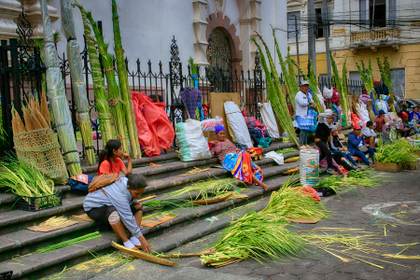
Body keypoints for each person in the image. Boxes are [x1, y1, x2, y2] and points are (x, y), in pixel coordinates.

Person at [83, 174, 151, 252]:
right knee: (113, 213)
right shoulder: (120, 196)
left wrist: (138, 236)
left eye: (141, 193)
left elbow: (128, 206)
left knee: (138, 207)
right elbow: (127, 217)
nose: (139, 196)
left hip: (111, 203)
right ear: (129, 188)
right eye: (136, 193)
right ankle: (126, 241)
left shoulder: (127, 182)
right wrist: (142, 239)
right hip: (94, 208)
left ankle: (133, 237)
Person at [209, 125, 268, 191]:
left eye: (223, 133)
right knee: (242, 166)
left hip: (236, 157)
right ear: (216, 134)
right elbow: (212, 153)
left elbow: (235, 148)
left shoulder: (227, 141)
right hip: (228, 160)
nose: (222, 135)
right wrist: (213, 145)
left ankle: (255, 167)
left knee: (244, 154)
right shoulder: (215, 143)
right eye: (220, 134)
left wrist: (237, 151)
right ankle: (261, 184)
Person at [314, 110, 346, 175]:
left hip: (324, 141)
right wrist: (328, 114)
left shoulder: (331, 126)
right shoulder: (322, 122)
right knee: (328, 153)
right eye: (330, 118)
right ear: (327, 118)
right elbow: (320, 115)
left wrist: (340, 117)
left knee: (323, 155)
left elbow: (337, 127)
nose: (331, 120)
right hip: (319, 140)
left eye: (332, 118)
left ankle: (315, 166)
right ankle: (330, 168)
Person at [295, 80, 315, 145]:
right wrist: (310, 103)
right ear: (300, 87)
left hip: (308, 116)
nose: (306, 88)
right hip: (301, 116)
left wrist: (313, 104)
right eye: (304, 86)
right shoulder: (298, 94)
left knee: (307, 131)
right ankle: (301, 144)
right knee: (303, 130)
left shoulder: (309, 94)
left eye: (307, 86)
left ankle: (306, 144)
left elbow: (312, 101)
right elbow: (302, 103)